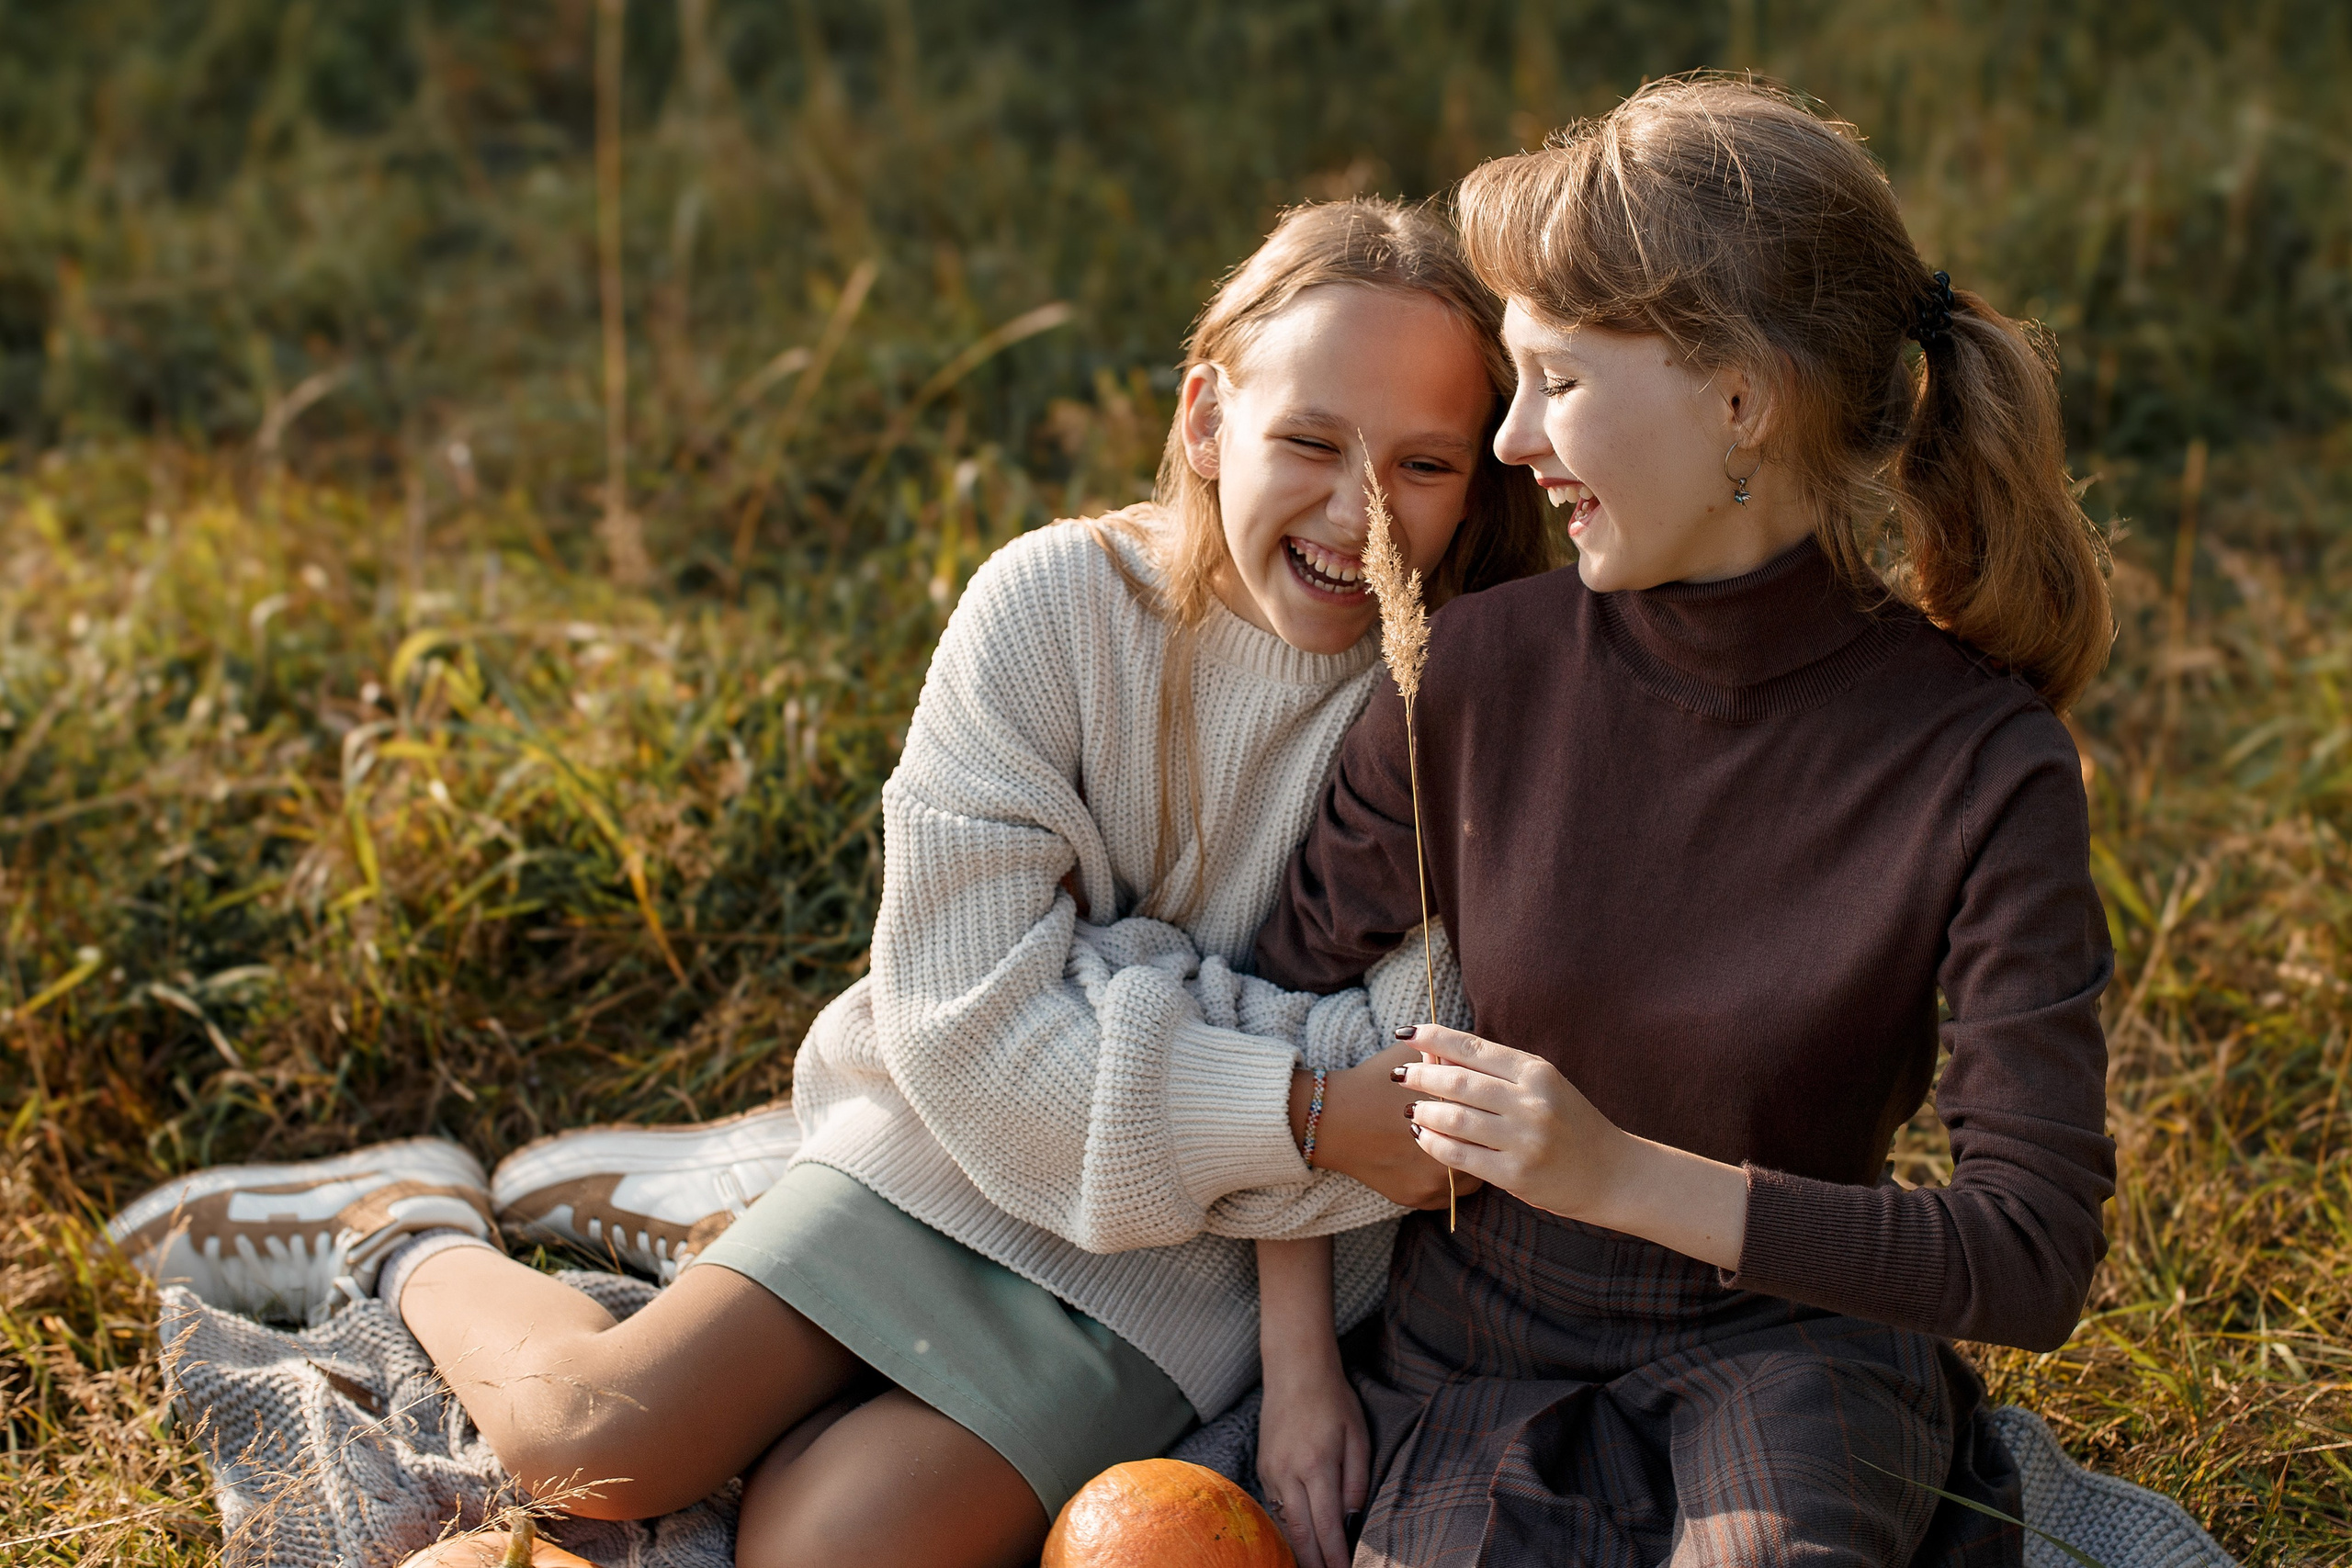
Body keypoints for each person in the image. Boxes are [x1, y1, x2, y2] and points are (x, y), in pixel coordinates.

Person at [107, 197, 1547, 1568]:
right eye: (1308, 439)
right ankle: (397, 1224)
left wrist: (1113, 989)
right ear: (1205, 414)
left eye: (1423, 463)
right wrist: (1286, 1104)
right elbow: (971, 1021)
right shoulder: (1050, 607)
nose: (1359, 512)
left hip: (1189, 1276)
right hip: (961, 1148)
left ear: (1478, 479)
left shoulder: (1472, 704)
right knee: (588, 1448)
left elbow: (1406, 1096)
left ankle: (722, 1201)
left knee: (824, 1544)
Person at [1254, 78, 2118, 1568]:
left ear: (1741, 398)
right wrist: (1300, 1379)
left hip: (1798, 1345)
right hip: (1477, 1357)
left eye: (1559, 381)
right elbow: (1278, 1002)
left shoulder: (1982, 762)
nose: (1515, 442)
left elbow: (2032, 1257)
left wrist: (1619, 1176)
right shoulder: (1470, 669)